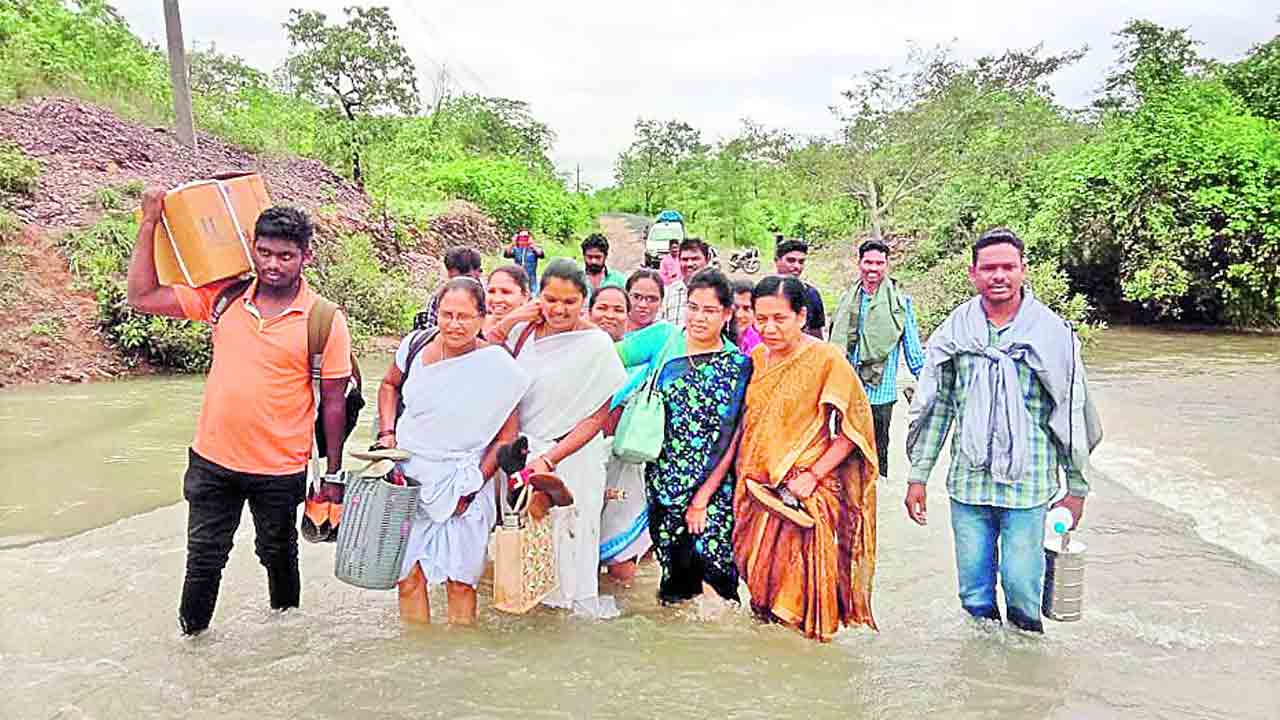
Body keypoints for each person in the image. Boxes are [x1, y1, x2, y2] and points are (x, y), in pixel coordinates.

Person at [126, 191, 353, 637]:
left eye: (286, 256)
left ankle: (285, 643)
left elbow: (333, 403)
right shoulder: (223, 298)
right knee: (203, 558)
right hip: (213, 460)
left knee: (278, 554)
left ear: (305, 257)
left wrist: (333, 475)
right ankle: (191, 645)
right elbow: (142, 295)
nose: (273, 264)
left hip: (280, 468)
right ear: (252, 247)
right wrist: (149, 222)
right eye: (264, 252)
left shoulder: (324, 319)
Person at [905, 228, 1102, 633]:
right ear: (973, 273)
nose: (999, 275)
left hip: (1028, 484)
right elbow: (939, 407)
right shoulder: (955, 331)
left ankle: (1026, 661)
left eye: (1008, 267)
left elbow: (1068, 413)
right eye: (989, 268)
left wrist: (1077, 488)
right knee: (973, 593)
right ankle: (983, 666)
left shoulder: (1052, 333)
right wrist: (918, 476)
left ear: (1023, 270)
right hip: (969, 482)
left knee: (1022, 586)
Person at [732, 275, 879, 642]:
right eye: (760, 319)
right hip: (755, 493)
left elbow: (855, 429)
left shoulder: (826, 359)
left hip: (803, 495)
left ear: (801, 316)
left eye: (779, 319)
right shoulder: (756, 359)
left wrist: (813, 475)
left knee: (796, 605)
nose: (769, 328)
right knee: (760, 599)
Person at [375, 278, 529, 625]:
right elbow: (388, 384)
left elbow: (506, 437)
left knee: (461, 582)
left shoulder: (498, 366)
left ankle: (460, 650)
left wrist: (473, 486)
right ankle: (417, 649)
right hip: (408, 478)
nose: (454, 325)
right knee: (407, 577)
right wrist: (387, 435)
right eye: (447, 315)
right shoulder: (415, 345)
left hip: (465, 478)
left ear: (481, 318)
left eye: (464, 317)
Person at [488, 259, 629, 617]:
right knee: (523, 543)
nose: (559, 309)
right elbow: (487, 354)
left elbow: (597, 417)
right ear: (538, 297)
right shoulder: (524, 333)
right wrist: (513, 318)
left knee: (570, 541)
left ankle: (566, 621)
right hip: (523, 456)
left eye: (569, 301)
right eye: (550, 300)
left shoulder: (596, 345)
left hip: (573, 458)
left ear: (584, 300)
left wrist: (551, 458)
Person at [617, 269, 752, 605]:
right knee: (675, 583)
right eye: (693, 308)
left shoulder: (738, 365)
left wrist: (702, 499)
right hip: (662, 483)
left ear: (727, 314)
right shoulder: (664, 339)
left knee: (716, 583)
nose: (699, 318)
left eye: (709, 310)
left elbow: (732, 439)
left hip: (714, 490)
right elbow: (605, 359)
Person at [828, 239, 925, 479]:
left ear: (887, 265)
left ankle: (876, 496)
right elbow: (835, 347)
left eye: (879, 263)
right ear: (859, 263)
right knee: (843, 455)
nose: (873, 268)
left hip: (881, 394)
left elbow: (913, 350)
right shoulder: (848, 300)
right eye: (868, 262)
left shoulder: (900, 304)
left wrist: (927, 382)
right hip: (848, 391)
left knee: (876, 457)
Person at [590, 286, 653, 583]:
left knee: (622, 560)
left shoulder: (643, 364)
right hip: (581, 459)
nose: (609, 315)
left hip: (624, 464)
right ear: (589, 311)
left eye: (618, 310)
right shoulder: (576, 356)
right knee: (578, 542)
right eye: (602, 308)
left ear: (628, 317)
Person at [774, 238, 826, 339]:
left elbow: (816, 336)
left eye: (801, 262)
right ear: (777, 261)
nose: (796, 266)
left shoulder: (811, 295)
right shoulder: (762, 293)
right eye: (791, 260)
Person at [420, 247, 483, 329]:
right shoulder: (439, 298)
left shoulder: (490, 297)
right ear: (448, 274)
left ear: (478, 272)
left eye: (467, 278)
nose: (462, 284)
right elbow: (430, 329)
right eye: (456, 279)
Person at [659, 237, 711, 327]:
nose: (689, 264)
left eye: (695, 259)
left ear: (707, 259)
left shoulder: (718, 292)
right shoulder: (669, 293)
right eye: (685, 259)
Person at [482, 265, 531, 343]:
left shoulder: (531, 332)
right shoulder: (475, 325)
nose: (497, 299)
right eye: (491, 291)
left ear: (525, 296)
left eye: (506, 292)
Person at [581, 233, 627, 303]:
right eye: (589, 257)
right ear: (584, 256)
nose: (593, 261)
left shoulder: (619, 280)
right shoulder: (576, 279)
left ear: (605, 256)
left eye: (598, 257)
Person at [504, 229, 544, 294]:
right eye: (521, 237)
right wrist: (512, 243)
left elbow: (541, 254)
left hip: (531, 278)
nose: (523, 239)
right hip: (519, 277)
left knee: (532, 293)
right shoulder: (516, 249)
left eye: (525, 237)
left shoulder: (533, 250)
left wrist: (532, 244)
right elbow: (506, 254)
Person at [625, 269, 664, 333]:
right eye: (636, 297)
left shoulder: (668, 335)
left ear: (661, 302)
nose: (643, 305)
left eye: (651, 299)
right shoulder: (612, 333)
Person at [731, 279, 761, 355]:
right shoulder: (716, 339)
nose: (739, 315)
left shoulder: (763, 344)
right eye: (735, 307)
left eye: (746, 308)